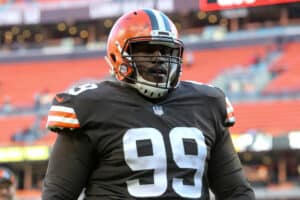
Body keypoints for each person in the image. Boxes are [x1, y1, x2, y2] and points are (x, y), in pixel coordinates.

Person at [42, 8, 255, 199]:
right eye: (147, 50)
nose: (159, 58)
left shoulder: (208, 103)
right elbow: (58, 195)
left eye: (165, 50)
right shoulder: (90, 106)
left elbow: (235, 191)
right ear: (119, 55)